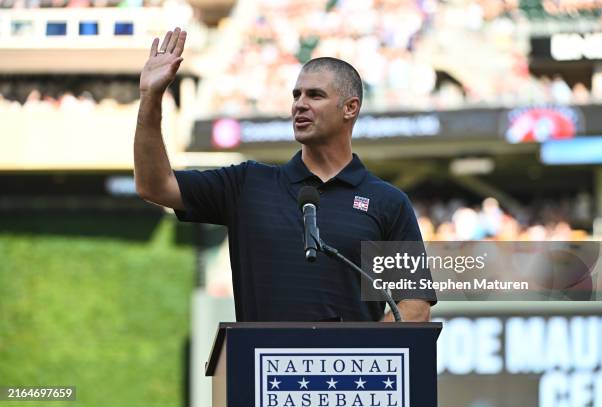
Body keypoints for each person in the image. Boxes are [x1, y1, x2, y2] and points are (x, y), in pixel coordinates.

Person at [134, 27, 436, 322]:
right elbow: (156, 186)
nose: (300, 104)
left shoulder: (387, 202)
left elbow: (414, 305)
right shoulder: (247, 184)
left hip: (350, 373)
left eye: (315, 95)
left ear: (350, 108)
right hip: (261, 371)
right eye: (296, 95)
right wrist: (151, 97)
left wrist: (356, 353)